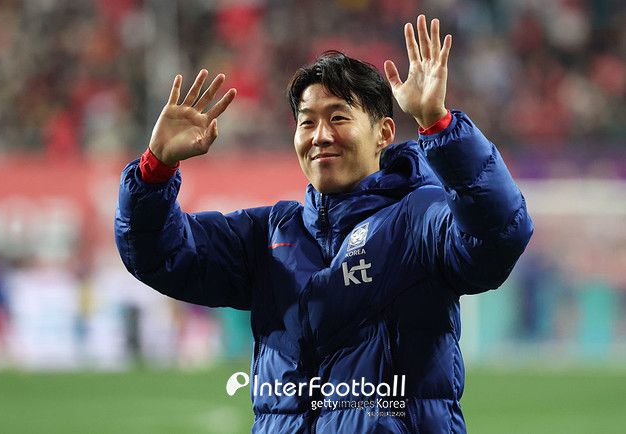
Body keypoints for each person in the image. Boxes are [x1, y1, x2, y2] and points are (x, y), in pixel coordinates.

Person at [115, 15, 533, 433]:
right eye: (307, 122)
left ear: (384, 132)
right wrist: (155, 169)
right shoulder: (268, 235)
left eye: (338, 118)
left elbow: (499, 234)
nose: (320, 135)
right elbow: (161, 255)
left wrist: (440, 126)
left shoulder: (419, 219)